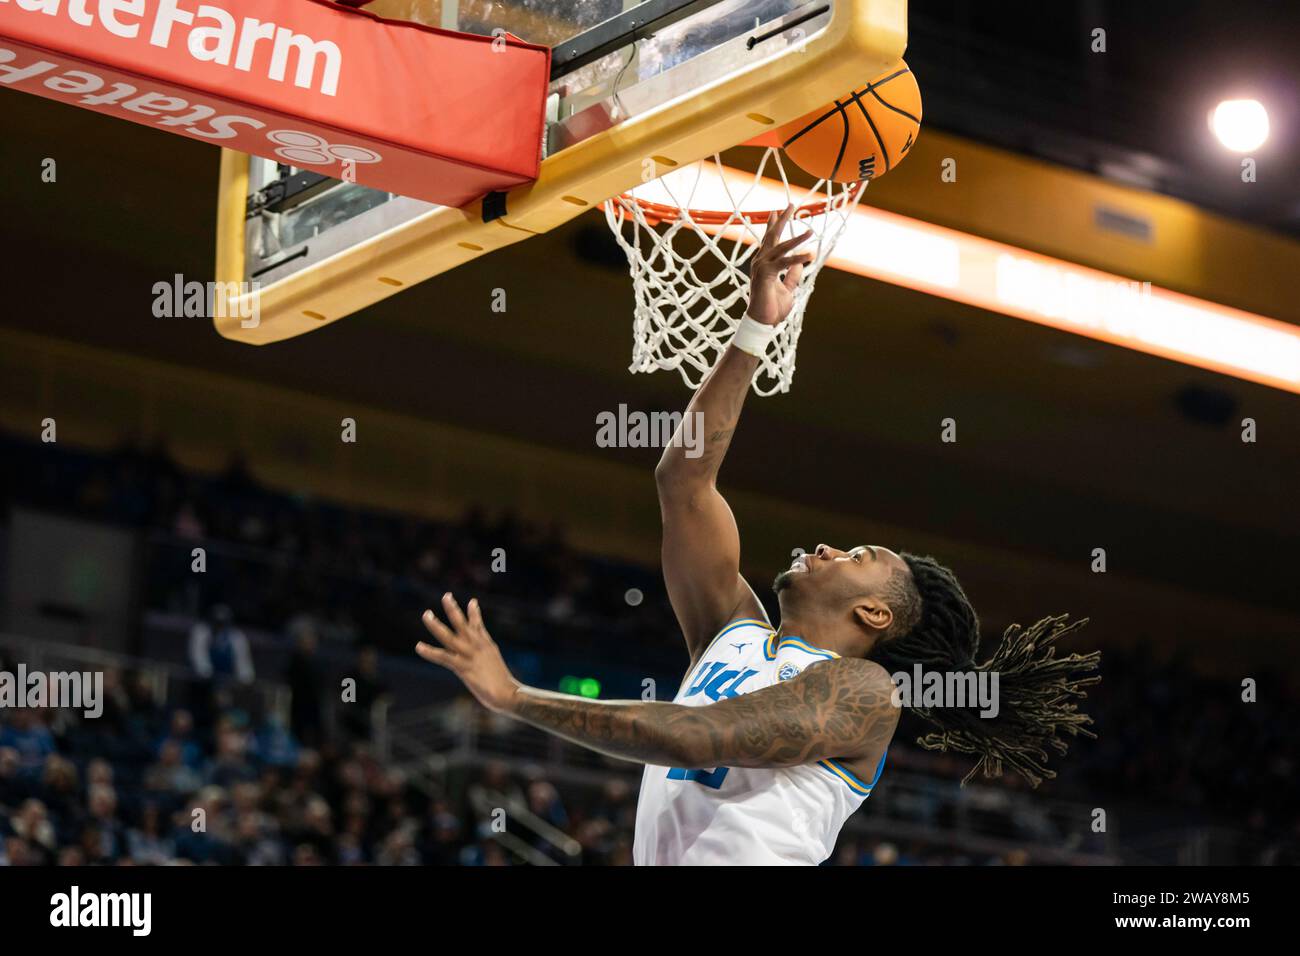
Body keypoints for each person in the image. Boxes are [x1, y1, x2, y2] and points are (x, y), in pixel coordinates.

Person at [415, 206, 1101, 865]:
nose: (831, 547)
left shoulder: (864, 694)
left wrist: (516, 698)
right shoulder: (734, 632)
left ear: (875, 613)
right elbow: (684, 483)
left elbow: (697, 738)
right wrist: (754, 328)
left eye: (859, 557)